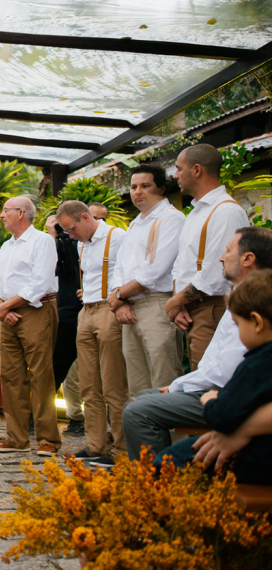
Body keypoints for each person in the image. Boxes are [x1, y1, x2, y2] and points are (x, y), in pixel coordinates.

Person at [123, 227, 272, 459]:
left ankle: (157, 477)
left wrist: (181, 387)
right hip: (221, 393)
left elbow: (224, 374)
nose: (221, 257)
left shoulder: (255, 301)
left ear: (248, 259)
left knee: (138, 411)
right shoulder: (241, 294)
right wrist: (181, 385)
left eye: (228, 251)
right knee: (141, 397)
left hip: (227, 397)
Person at [157, 269, 272, 484]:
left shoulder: (256, 365)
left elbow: (223, 415)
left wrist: (210, 399)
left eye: (238, 324)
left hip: (257, 456)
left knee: (167, 462)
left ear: (257, 323)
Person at [0, 196, 61, 456]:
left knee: (41, 375)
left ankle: (48, 439)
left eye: (6, 211)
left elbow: (41, 283)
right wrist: (1, 305)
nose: (2, 215)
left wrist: (6, 306)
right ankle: (16, 438)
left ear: (20, 213)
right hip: (7, 315)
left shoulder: (42, 241)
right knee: (10, 376)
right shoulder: (7, 246)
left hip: (36, 311)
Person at [57, 200, 128, 467]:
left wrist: (119, 299)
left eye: (71, 229)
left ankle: (121, 447)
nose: (70, 235)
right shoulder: (81, 244)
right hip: (85, 311)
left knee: (113, 383)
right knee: (89, 384)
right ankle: (96, 445)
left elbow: (125, 272)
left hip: (109, 310)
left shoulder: (117, 237)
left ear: (85, 217)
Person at [166, 144, 249, 369]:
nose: (175, 175)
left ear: (197, 170)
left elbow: (217, 272)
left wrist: (176, 302)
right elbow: (182, 263)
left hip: (212, 308)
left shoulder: (226, 211)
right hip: (193, 307)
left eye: (179, 168)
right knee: (199, 373)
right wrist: (179, 303)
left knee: (210, 377)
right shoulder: (196, 212)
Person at [107, 164, 185, 396]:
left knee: (163, 377)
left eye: (145, 186)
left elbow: (156, 269)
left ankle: (170, 423)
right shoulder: (135, 223)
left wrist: (119, 295)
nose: (138, 192)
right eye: (133, 187)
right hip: (130, 306)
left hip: (157, 304)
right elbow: (119, 266)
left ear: (161, 188)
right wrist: (120, 301)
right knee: (137, 383)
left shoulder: (172, 218)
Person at [45, 214, 83, 435]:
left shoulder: (99, 246)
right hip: (66, 315)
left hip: (93, 311)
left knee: (94, 375)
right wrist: (53, 236)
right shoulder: (59, 245)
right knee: (56, 370)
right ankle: (39, 418)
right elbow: (49, 270)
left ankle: (84, 421)